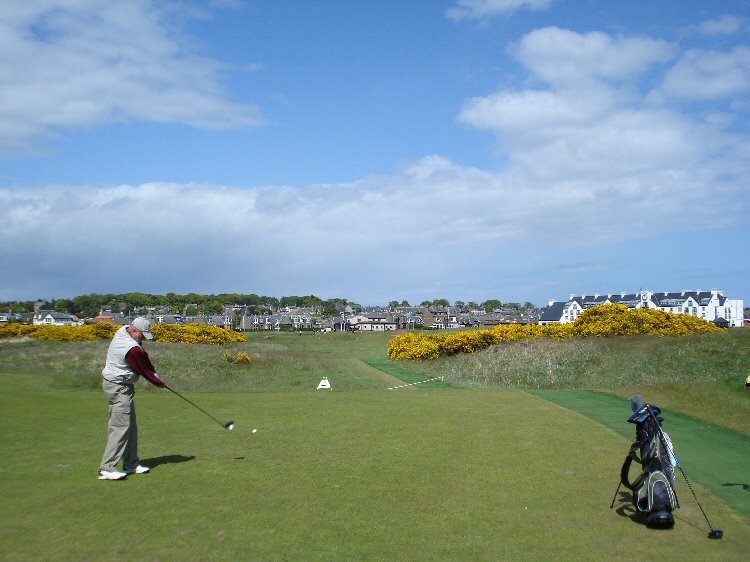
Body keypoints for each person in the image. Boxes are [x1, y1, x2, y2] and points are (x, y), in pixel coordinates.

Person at [98, 317, 165, 480]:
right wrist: (159, 382)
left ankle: (131, 463)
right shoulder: (130, 348)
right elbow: (143, 369)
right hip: (117, 387)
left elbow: (143, 357)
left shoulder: (124, 331)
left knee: (130, 426)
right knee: (120, 426)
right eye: (143, 335)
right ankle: (107, 468)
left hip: (123, 386)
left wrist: (154, 375)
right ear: (134, 330)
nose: (143, 338)